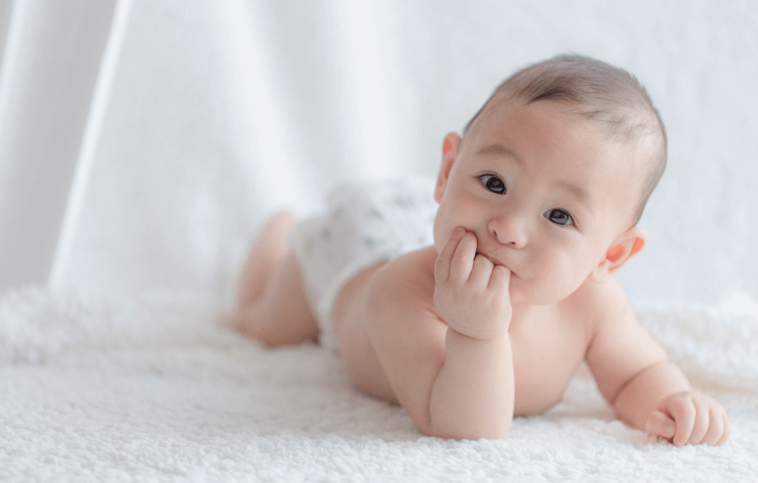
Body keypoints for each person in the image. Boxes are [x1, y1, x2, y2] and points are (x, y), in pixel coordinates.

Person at [234, 54, 730, 445]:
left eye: (560, 216)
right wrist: (475, 333)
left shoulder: (593, 306)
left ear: (610, 256)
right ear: (449, 172)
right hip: (349, 254)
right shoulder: (404, 294)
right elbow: (465, 430)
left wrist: (672, 402)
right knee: (262, 328)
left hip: (395, 234)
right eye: (493, 182)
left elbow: (635, 374)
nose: (509, 228)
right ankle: (278, 237)